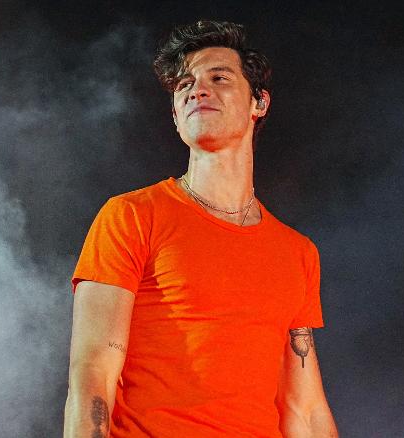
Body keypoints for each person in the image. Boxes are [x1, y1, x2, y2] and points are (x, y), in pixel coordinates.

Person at [64, 20, 339, 438]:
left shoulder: (297, 252)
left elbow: (305, 409)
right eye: (184, 85)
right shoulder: (131, 216)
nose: (197, 90)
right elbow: (92, 377)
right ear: (176, 116)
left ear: (259, 102)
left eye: (219, 77)